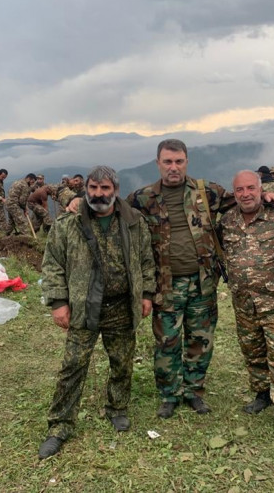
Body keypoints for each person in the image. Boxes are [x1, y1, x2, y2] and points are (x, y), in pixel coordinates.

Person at [38, 165, 155, 459]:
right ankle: (59, 426)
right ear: (85, 189)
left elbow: (146, 259)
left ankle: (117, 408)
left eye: (105, 188)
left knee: (122, 362)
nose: (98, 194)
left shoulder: (133, 221)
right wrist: (58, 302)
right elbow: (52, 264)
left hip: (121, 305)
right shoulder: (68, 223)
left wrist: (147, 294)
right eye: (93, 188)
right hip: (84, 307)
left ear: (115, 190)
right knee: (73, 366)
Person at [126, 139, 239, 419]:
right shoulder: (142, 198)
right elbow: (110, 210)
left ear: (187, 162)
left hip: (203, 282)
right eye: (167, 162)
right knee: (167, 342)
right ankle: (169, 394)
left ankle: (194, 391)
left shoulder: (207, 192)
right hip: (165, 286)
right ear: (158, 163)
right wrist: (74, 200)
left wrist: (271, 193)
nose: (173, 167)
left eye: (178, 161)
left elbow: (245, 199)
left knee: (200, 341)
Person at [219, 170, 274, 443]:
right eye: (240, 190)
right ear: (234, 193)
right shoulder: (227, 221)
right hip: (244, 304)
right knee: (253, 350)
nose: (245, 194)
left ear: (261, 189)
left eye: (250, 188)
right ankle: (262, 393)